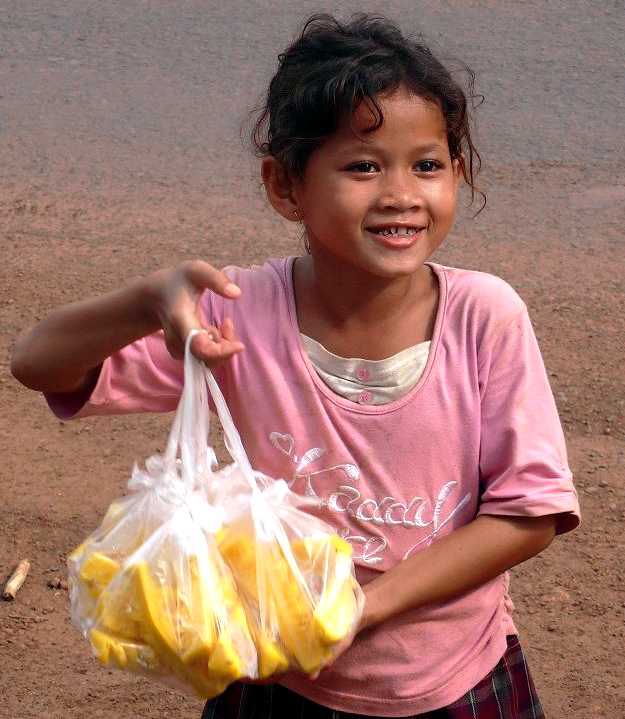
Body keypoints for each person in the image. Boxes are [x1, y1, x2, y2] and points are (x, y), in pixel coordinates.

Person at [11, 13, 580, 719]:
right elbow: (38, 364)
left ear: (456, 174)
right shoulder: (234, 312)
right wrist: (146, 299)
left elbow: (529, 513)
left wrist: (360, 609)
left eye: (427, 163)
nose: (401, 192)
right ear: (285, 187)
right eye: (363, 165)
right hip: (275, 677)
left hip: (455, 678)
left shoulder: (483, 317)